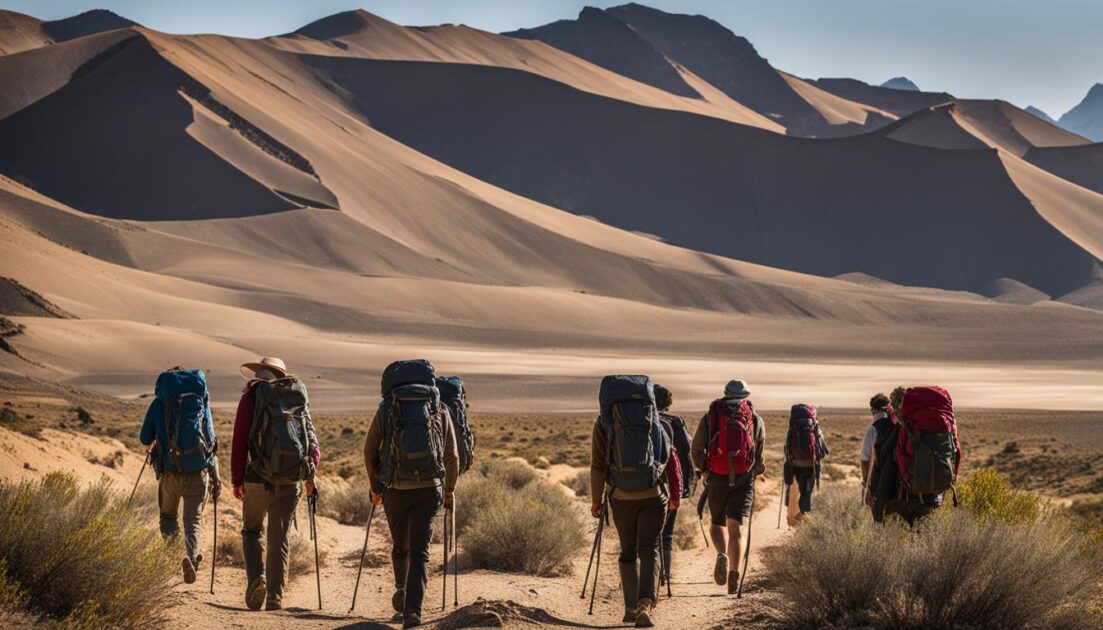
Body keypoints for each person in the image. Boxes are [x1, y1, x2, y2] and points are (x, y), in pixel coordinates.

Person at [365, 360, 459, 629]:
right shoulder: (439, 408)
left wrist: (375, 487)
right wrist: (449, 489)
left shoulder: (386, 408)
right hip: (429, 489)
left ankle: (401, 590)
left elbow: (370, 450)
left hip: (395, 488)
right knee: (420, 552)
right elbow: (451, 455)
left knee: (400, 546)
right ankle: (412, 612)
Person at [231, 357, 320, 611]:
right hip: (291, 479)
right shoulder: (296, 397)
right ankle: (274, 597)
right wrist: (309, 475)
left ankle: (256, 579)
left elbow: (239, 443)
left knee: (251, 532)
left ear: (261, 373)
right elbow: (312, 443)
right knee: (279, 538)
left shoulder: (251, 398)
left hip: (257, 478)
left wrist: (237, 480)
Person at [591, 375, 679, 627]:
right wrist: (672, 493)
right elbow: (665, 458)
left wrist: (596, 500)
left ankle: (630, 608)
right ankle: (646, 603)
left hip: (620, 496)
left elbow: (597, 466)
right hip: (653, 495)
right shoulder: (657, 422)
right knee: (649, 547)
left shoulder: (603, 423)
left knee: (628, 551)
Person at [140, 366, 220, 585]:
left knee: (168, 517)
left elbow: (144, 438)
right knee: (193, 520)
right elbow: (210, 440)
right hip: (198, 472)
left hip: (169, 473)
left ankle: (177, 557)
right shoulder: (201, 401)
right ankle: (192, 558)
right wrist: (215, 476)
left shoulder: (160, 403)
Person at [690, 379, 765, 594]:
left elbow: (696, 449)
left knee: (716, 523)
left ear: (725, 393)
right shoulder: (755, 419)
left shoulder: (711, 416)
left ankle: (721, 554)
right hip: (743, 479)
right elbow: (758, 453)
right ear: (746, 396)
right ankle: (734, 572)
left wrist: (703, 470)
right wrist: (756, 470)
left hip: (716, 477)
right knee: (736, 529)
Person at [653, 384, 692, 588]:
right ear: (668, 403)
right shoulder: (675, 421)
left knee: (642, 535)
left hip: (639, 483)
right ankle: (664, 576)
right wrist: (686, 484)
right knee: (666, 533)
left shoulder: (638, 421)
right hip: (668, 485)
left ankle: (641, 576)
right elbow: (686, 452)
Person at [782, 404, 828, 523]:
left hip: (795, 464)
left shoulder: (793, 428)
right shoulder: (815, 428)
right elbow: (822, 449)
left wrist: (789, 460)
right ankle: (803, 514)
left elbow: (787, 447)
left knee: (796, 489)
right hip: (810, 464)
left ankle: (793, 517)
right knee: (806, 490)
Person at [860, 393, 896, 518]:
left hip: (878, 480)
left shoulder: (872, 430)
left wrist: (866, 482)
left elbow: (865, 460)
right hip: (898, 479)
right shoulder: (896, 426)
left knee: (877, 518)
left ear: (872, 410)